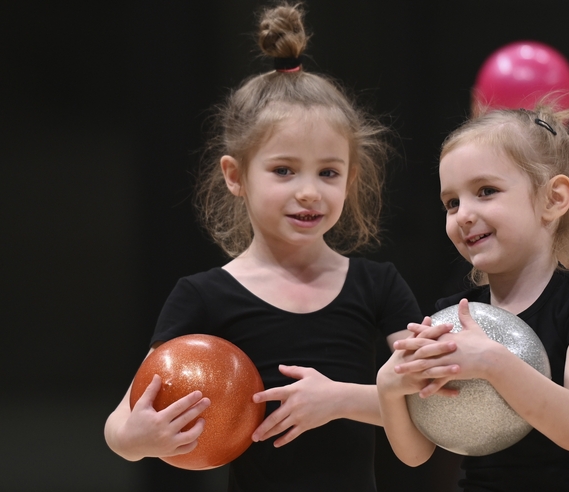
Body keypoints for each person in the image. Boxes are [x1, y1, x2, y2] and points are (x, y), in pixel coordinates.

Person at [103, 4, 431, 491]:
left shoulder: (378, 286)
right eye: (283, 170)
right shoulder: (203, 297)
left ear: (351, 179)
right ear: (236, 176)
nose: (308, 191)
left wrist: (338, 399)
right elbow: (120, 426)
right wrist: (139, 437)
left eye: (328, 172)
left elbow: (427, 419)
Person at [376, 106, 569, 491]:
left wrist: (494, 362)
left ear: (553, 198)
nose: (463, 215)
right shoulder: (455, 315)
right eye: (452, 203)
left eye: (486, 192)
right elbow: (417, 451)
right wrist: (389, 387)